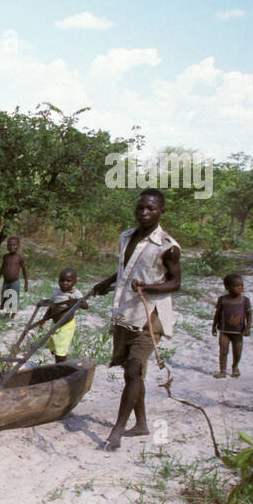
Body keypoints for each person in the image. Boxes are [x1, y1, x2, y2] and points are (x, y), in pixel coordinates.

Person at [88, 189, 181, 451]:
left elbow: (176, 283)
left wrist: (149, 287)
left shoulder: (168, 246)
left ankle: (117, 430)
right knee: (134, 374)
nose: (144, 213)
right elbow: (125, 271)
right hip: (126, 313)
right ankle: (141, 423)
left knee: (132, 370)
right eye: (140, 208)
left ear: (161, 211)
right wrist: (106, 283)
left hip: (150, 316)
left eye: (151, 209)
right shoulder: (125, 237)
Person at [40, 268, 87, 363]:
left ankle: (61, 366)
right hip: (55, 324)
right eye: (62, 280)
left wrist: (75, 302)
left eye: (68, 281)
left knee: (60, 350)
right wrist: (44, 319)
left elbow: (85, 306)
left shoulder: (75, 293)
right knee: (54, 346)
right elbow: (51, 308)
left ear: (75, 282)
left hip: (66, 326)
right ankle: (60, 363)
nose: (64, 283)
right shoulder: (56, 292)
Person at [212, 273, 251, 377]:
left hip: (238, 332)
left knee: (237, 352)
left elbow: (249, 315)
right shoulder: (222, 299)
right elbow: (217, 314)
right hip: (224, 331)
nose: (240, 288)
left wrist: (248, 328)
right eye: (237, 286)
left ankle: (235, 366)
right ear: (227, 287)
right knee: (223, 351)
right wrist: (213, 327)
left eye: (241, 285)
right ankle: (223, 371)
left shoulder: (245, 300)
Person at [0, 236, 28, 319]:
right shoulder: (5, 257)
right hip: (6, 282)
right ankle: (7, 312)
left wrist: (26, 283)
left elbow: (25, 270)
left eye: (14, 245)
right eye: (9, 245)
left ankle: (13, 313)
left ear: (18, 246)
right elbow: (2, 268)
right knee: (6, 296)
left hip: (15, 282)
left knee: (13, 297)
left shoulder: (19, 258)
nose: (11, 247)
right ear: (7, 246)